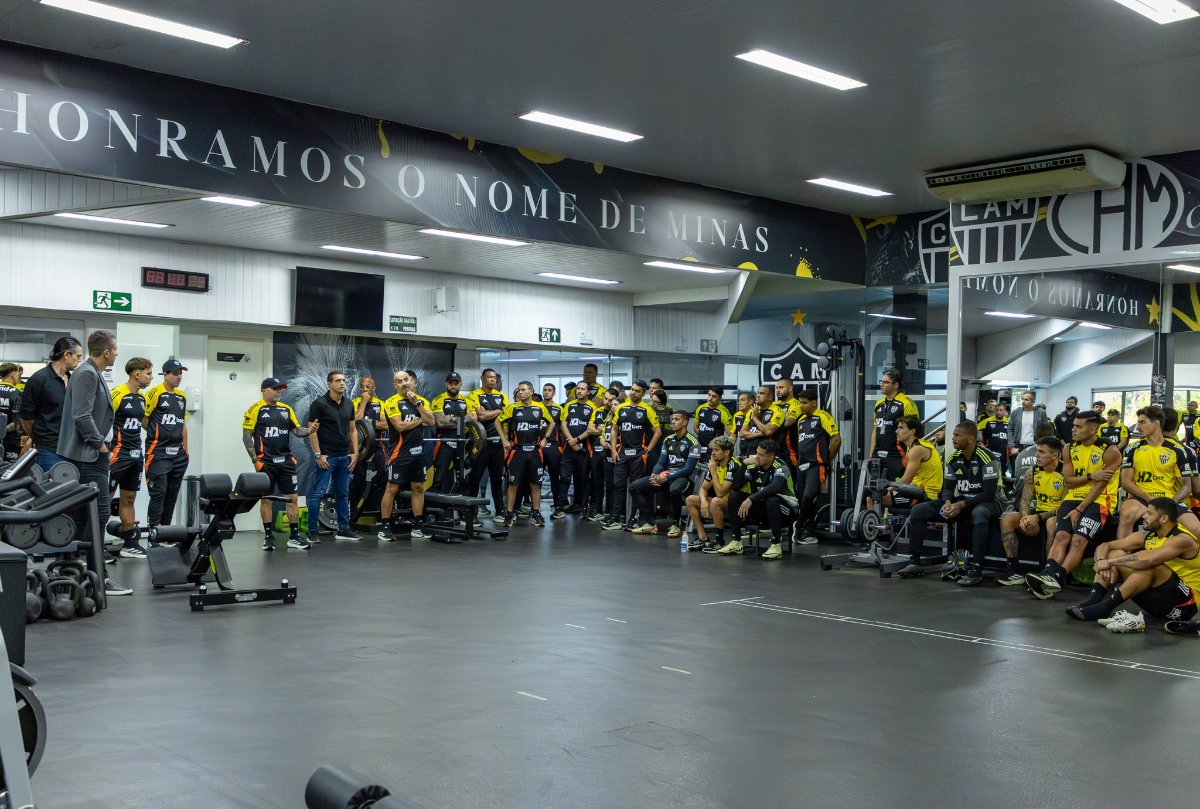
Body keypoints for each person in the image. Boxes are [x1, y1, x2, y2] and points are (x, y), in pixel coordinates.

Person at [57, 330, 130, 596]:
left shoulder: (91, 372)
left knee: (82, 514)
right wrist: (100, 444)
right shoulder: (87, 373)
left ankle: (73, 570)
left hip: (91, 455)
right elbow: (81, 415)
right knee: (98, 514)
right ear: (107, 352)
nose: (117, 353)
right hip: (88, 455)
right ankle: (98, 575)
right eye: (115, 349)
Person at [1065, 497, 1200, 633]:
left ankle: (1104, 607)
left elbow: (1149, 560)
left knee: (1150, 566)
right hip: (1161, 600)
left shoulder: (1182, 540)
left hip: (1185, 606)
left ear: (1164, 518)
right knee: (1114, 553)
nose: (1144, 516)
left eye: (1149, 513)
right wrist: (1101, 561)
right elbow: (1105, 545)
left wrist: (1110, 563)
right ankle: (1094, 600)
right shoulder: (1148, 536)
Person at [1024, 411, 1120, 599]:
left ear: (1092, 429)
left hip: (1100, 500)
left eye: (1078, 426)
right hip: (1073, 497)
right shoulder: (1069, 447)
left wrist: (1080, 509)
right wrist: (1091, 476)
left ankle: (1057, 579)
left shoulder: (1109, 450)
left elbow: (1100, 486)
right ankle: (1047, 575)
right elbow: (1068, 481)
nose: (1073, 429)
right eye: (1073, 425)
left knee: (1078, 540)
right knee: (1061, 536)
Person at [898, 421, 1001, 585]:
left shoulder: (987, 457)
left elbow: (988, 494)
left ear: (971, 438)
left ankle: (977, 569)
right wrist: (947, 502)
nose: (952, 438)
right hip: (963, 502)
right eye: (953, 434)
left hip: (989, 503)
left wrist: (960, 505)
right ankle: (914, 562)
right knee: (918, 510)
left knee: (979, 513)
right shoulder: (952, 458)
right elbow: (947, 488)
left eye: (958, 435)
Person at [243, 378, 318, 551]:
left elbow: (297, 430)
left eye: (280, 389)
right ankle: (268, 537)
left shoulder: (287, 409)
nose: (279, 392)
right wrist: (255, 461)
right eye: (275, 389)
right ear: (264, 390)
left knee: (292, 498)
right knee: (267, 499)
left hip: (286, 462)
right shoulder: (255, 409)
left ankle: (294, 536)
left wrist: (310, 430)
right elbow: (247, 436)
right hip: (265, 463)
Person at [1116, 406, 1194, 540]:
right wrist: (1150, 499)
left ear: (1156, 423)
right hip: (1141, 498)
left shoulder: (1178, 450)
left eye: (1142, 422)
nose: (1137, 427)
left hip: (1168, 498)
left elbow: (1187, 486)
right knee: (1127, 512)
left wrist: (1170, 503)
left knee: (1196, 528)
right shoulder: (1132, 449)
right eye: (1138, 422)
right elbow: (1126, 482)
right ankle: (1121, 554)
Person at [996, 436, 1063, 586]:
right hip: (1036, 515)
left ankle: (1048, 574)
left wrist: (1037, 517)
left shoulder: (1066, 473)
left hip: (1057, 515)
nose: (1036, 455)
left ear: (1055, 455)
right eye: (1036, 451)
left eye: (1041, 452)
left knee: (1052, 523)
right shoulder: (1032, 472)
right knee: (1007, 519)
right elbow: (1025, 500)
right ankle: (1014, 570)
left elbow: (1065, 506)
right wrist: (1026, 517)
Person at [377, 370, 434, 541]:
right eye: (399, 381)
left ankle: (417, 526)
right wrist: (420, 420)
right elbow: (400, 426)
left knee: (418, 488)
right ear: (395, 386)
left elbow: (431, 421)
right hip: (399, 452)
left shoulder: (421, 401)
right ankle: (385, 527)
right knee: (392, 488)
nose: (404, 383)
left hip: (419, 451)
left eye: (406, 380)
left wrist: (417, 404)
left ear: (412, 381)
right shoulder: (391, 402)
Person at [305, 370, 360, 543]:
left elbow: (352, 430)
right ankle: (313, 531)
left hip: (344, 457)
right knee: (317, 493)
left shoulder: (349, 404)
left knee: (343, 494)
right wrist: (318, 455)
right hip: (327, 458)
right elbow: (312, 432)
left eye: (343, 380)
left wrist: (356, 453)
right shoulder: (318, 404)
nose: (342, 383)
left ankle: (344, 529)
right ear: (329, 384)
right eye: (338, 381)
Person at [108, 357, 153, 557]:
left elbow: (144, 423)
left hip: (136, 455)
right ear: (137, 374)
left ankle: (130, 544)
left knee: (129, 498)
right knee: (104, 499)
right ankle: (95, 546)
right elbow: (102, 421)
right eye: (148, 373)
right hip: (117, 454)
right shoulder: (116, 394)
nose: (150, 377)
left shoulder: (142, 398)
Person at [629, 410, 699, 536]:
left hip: (684, 478)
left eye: (677, 419)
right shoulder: (668, 439)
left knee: (674, 490)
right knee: (634, 487)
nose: (672, 422)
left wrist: (667, 478)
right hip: (667, 476)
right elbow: (661, 463)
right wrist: (654, 475)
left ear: (685, 422)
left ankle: (675, 524)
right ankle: (649, 523)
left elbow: (688, 469)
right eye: (672, 419)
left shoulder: (693, 442)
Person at [604, 380, 661, 531]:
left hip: (638, 455)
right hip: (622, 454)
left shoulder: (647, 409)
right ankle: (616, 518)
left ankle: (634, 519)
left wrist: (647, 451)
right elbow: (614, 429)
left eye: (637, 391)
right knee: (618, 486)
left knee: (635, 487)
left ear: (643, 393)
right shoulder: (621, 408)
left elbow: (658, 432)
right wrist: (614, 451)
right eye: (632, 390)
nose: (633, 393)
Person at [19, 336, 82, 471]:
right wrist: (40, 438)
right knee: (53, 490)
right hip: (48, 450)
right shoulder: (39, 379)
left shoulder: (73, 380)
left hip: (72, 449)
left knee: (70, 490)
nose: (80, 359)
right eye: (78, 356)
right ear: (67, 354)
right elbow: (26, 418)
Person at [497, 381, 553, 527]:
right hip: (517, 451)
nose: (520, 392)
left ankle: (536, 513)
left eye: (523, 390)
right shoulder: (512, 408)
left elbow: (552, 422)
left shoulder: (539, 407)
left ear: (531, 391)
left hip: (535, 451)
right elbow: (498, 421)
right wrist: (504, 440)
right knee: (512, 483)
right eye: (519, 390)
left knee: (535, 484)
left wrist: (545, 438)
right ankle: (509, 514)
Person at [729, 439, 796, 560]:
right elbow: (736, 485)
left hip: (786, 510)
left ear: (770, 457)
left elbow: (775, 487)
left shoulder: (781, 466)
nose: (756, 457)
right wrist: (744, 465)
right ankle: (736, 541)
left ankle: (776, 545)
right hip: (765, 509)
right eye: (756, 452)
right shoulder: (754, 466)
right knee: (735, 496)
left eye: (760, 454)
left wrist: (751, 498)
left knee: (771, 499)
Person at [144, 359, 190, 530]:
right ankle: (153, 533)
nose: (179, 377)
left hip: (178, 454)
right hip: (158, 452)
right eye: (175, 373)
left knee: (171, 495)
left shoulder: (182, 396)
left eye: (181, 374)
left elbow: (183, 424)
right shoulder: (154, 393)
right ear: (165, 374)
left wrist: (186, 449)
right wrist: (156, 432)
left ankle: (166, 532)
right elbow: (144, 417)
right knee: (159, 493)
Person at [793, 388, 841, 545]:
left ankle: (800, 526)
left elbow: (836, 439)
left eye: (805, 403)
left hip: (817, 465)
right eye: (800, 403)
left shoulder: (823, 416)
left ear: (814, 402)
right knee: (802, 499)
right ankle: (807, 531)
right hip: (801, 466)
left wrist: (827, 460)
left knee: (809, 496)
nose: (802, 406)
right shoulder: (800, 420)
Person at [685, 435, 744, 554]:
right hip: (722, 505)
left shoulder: (735, 466)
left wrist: (713, 472)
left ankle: (719, 540)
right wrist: (703, 501)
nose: (712, 453)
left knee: (716, 501)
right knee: (691, 499)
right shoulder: (715, 465)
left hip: (738, 508)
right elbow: (703, 489)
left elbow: (720, 493)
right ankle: (703, 538)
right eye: (712, 450)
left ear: (726, 452)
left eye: (716, 450)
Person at [466, 369, 508, 518]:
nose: (492, 380)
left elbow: (506, 416)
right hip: (481, 444)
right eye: (489, 377)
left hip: (497, 445)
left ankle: (500, 511)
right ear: (482, 379)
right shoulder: (474, 395)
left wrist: (491, 412)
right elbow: (481, 416)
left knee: (497, 479)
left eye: (494, 377)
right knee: (475, 479)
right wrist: (499, 410)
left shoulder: (502, 396)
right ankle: (472, 513)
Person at [883, 415, 942, 512]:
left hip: (926, 495)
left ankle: (876, 526)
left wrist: (886, 490)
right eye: (898, 427)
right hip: (916, 490)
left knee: (875, 498)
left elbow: (906, 480)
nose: (896, 431)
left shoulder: (917, 449)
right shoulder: (914, 447)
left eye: (901, 428)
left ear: (912, 431)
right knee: (872, 497)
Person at [869, 369, 920, 481]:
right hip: (878, 455)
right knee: (875, 493)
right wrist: (871, 454)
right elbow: (875, 429)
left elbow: (915, 431)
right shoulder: (878, 404)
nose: (881, 384)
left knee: (893, 492)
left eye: (886, 382)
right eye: (881, 381)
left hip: (897, 455)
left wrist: (912, 456)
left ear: (896, 385)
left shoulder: (906, 403)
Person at [349, 376, 389, 515]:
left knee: (383, 479)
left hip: (377, 447)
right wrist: (364, 403)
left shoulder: (380, 404)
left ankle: (382, 514)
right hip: (359, 449)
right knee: (357, 481)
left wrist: (367, 424)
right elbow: (353, 422)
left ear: (374, 388)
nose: (365, 389)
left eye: (368, 386)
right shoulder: (354, 402)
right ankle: (353, 514)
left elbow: (386, 425)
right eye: (362, 386)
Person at [428, 373, 468, 493]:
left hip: (463, 444)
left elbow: (473, 419)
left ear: (460, 384)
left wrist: (451, 418)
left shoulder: (467, 400)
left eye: (456, 383)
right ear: (446, 384)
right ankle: (433, 508)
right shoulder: (439, 400)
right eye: (451, 383)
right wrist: (462, 420)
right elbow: (440, 422)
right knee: (439, 477)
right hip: (445, 443)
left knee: (464, 477)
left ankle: (462, 508)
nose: (453, 386)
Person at [559, 381, 595, 515]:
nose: (579, 391)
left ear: (588, 392)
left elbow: (591, 429)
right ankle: (561, 505)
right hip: (568, 448)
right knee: (564, 477)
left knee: (582, 479)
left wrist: (577, 440)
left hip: (584, 449)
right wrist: (571, 441)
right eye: (578, 389)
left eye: (582, 389)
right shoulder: (569, 405)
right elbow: (563, 425)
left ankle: (580, 505)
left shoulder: (592, 407)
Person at [586, 387, 616, 522]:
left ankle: (609, 511)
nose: (607, 402)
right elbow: (590, 429)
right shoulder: (597, 411)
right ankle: (597, 509)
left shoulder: (618, 413)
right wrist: (603, 430)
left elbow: (615, 430)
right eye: (606, 399)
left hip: (611, 451)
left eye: (611, 400)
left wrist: (600, 428)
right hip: (597, 450)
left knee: (611, 483)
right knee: (597, 481)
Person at [540, 383, 568, 518]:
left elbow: (562, 429)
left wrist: (562, 447)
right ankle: (534, 506)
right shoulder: (536, 406)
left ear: (554, 393)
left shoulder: (559, 408)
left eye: (549, 390)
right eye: (544, 390)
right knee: (536, 478)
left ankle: (558, 506)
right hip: (538, 447)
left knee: (554, 478)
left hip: (553, 447)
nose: (546, 392)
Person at [739, 385, 785, 459]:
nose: (758, 396)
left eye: (762, 393)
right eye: (757, 393)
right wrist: (760, 434)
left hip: (767, 456)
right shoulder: (752, 410)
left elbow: (768, 432)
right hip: (750, 454)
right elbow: (742, 433)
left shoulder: (778, 411)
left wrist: (755, 418)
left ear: (770, 397)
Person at [693, 387, 734, 463]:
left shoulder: (723, 412)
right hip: (700, 446)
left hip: (714, 450)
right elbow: (695, 427)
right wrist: (703, 436)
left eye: (714, 396)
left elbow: (731, 435)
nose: (710, 398)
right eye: (709, 395)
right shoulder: (700, 408)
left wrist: (722, 449)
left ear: (720, 398)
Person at [1008, 390, 1050, 460]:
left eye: (1026, 400)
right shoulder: (1015, 412)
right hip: (1018, 447)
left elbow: (1045, 431)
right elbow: (1010, 429)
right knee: (1017, 469)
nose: (1023, 401)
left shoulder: (1041, 413)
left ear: (1033, 401)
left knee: (1034, 470)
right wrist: (1012, 447)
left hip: (1035, 447)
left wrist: (1043, 446)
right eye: (1022, 399)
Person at [774, 379, 804, 471]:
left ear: (790, 388)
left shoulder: (797, 405)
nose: (778, 390)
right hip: (772, 450)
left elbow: (787, 422)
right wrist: (783, 416)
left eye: (781, 387)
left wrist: (773, 421)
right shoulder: (773, 405)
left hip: (789, 451)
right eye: (777, 388)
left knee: (791, 482)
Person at [977, 403, 1010, 477]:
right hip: (990, 451)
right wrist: (979, 442)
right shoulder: (987, 421)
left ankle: (1002, 487)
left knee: (1002, 471)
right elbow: (976, 430)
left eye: (1001, 410)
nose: (998, 412)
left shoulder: (1009, 422)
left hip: (1004, 452)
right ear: (994, 411)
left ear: (1004, 411)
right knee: (990, 471)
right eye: (997, 410)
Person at [0, 362, 22, 462]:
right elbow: (19, 422)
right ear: (13, 375)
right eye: (18, 375)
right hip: (10, 441)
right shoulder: (18, 394)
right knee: (8, 470)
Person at [732, 391, 753, 457]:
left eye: (742, 400)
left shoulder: (756, 413)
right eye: (739, 400)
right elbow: (733, 436)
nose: (739, 403)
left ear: (750, 402)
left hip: (755, 452)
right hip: (742, 453)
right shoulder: (737, 415)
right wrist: (726, 448)